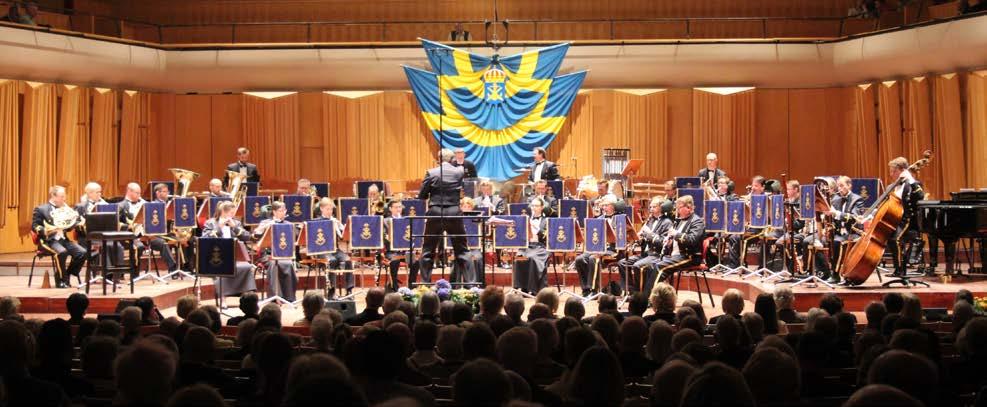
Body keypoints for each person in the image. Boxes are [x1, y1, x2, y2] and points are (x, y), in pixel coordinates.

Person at [417, 149, 467, 285]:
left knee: (428, 250)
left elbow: (421, 196)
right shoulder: (460, 171)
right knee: (462, 251)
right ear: (452, 159)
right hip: (454, 212)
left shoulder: (431, 172)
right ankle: (471, 285)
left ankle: (425, 285)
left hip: (435, 212)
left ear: (438, 160)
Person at [118, 182, 181, 276]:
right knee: (138, 247)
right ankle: (134, 274)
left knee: (162, 243)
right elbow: (117, 223)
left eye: (139, 193)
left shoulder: (145, 203)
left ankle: (173, 269)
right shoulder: (121, 205)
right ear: (129, 191)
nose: (139, 196)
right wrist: (130, 226)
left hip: (146, 234)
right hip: (131, 236)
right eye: (137, 193)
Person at [32, 185, 86, 288]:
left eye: (64, 196)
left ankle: (67, 274)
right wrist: (46, 230)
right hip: (49, 240)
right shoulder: (41, 209)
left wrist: (74, 223)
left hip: (63, 239)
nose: (64, 199)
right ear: (53, 196)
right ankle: (60, 281)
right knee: (62, 252)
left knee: (82, 253)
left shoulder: (66, 209)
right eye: (62, 196)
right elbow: (35, 226)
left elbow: (69, 227)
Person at [202, 201, 257, 297]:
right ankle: (222, 297)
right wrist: (219, 227)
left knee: (247, 267)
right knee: (221, 268)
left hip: (235, 257)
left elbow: (247, 237)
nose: (233, 215)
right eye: (231, 213)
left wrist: (235, 227)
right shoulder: (210, 223)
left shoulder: (236, 222)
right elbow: (205, 239)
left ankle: (247, 296)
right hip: (216, 256)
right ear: (223, 211)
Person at [620, 197, 673, 294]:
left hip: (657, 254)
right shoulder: (650, 221)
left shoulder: (667, 222)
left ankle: (640, 295)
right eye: (650, 207)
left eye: (654, 207)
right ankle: (631, 291)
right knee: (623, 263)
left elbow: (663, 243)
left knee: (637, 266)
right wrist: (638, 239)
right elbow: (643, 239)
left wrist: (649, 235)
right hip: (646, 253)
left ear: (661, 208)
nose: (651, 209)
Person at [884, 157, 926, 279]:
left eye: (893, 171)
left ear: (901, 170)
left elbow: (920, 196)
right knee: (890, 238)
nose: (891, 174)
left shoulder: (912, 184)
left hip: (909, 221)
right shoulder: (894, 186)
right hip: (896, 220)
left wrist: (911, 180)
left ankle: (900, 270)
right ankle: (899, 269)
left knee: (895, 239)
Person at [252, 201, 301, 302]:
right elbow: (254, 236)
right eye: (280, 211)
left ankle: (289, 297)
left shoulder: (289, 224)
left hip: (284, 255)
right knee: (275, 265)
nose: (283, 212)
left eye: (284, 210)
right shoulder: (265, 223)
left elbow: (296, 238)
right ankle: (275, 297)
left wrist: (298, 228)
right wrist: (266, 227)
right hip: (268, 255)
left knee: (288, 265)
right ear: (274, 212)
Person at [651, 195, 706, 284]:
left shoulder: (697, 221)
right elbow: (676, 239)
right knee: (651, 264)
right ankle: (662, 294)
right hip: (676, 255)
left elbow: (692, 240)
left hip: (689, 257)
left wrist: (676, 234)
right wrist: (669, 242)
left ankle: (652, 296)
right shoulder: (679, 221)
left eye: (679, 208)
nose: (677, 210)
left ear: (688, 207)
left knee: (659, 266)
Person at [573, 196, 619, 297]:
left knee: (593, 258)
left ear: (613, 206)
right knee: (579, 259)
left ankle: (593, 290)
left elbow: (619, 238)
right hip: (597, 248)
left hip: (612, 249)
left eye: (606, 205)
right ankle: (585, 289)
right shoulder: (599, 219)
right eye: (603, 206)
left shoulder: (618, 219)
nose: (604, 208)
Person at [312, 198, 354, 297]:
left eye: (331, 209)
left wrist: (340, 226)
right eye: (327, 209)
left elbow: (343, 236)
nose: (330, 211)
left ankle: (349, 290)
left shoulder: (335, 221)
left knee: (348, 260)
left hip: (335, 250)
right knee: (332, 261)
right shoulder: (316, 222)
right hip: (322, 251)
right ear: (321, 209)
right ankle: (331, 291)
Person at [829, 175, 865, 284]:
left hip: (853, 232)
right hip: (839, 231)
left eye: (842, 186)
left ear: (849, 186)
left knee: (837, 242)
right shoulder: (835, 199)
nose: (839, 188)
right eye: (838, 186)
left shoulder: (857, 199)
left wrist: (837, 214)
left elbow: (853, 218)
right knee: (829, 240)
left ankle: (836, 275)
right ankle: (824, 271)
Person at [384, 199, 418, 291]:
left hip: (405, 251)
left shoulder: (406, 220)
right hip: (392, 252)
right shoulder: (386, 221)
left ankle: (411, 286)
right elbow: (383, 237)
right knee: (394, 262)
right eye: (396, 207)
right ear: (390, 209)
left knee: (416, 262)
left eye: (400, 207)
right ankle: (394, 288)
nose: (398, 209)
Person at [520, 197, 550, 293]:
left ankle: (535, 288)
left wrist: (538, 231)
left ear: (541, 207)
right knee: (520, 256)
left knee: (532, 258)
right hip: (527, 246)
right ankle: (523, 287)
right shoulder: (526, 219)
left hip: (541, 246)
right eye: (532, 206)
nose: (534, 208)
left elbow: (548, 237)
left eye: (536, 206)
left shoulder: (547, 220)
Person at [453, 197, 484, 287]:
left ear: (472, 208)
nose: (466, 208)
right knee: (459, 257)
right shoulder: (456, 218)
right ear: (461, 208)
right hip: (460, 248)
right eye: (464, 206)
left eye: (468, 206)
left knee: (477, 257)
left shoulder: (476, 219)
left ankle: (475, 285)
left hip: (474, 248)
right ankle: (457, 285)